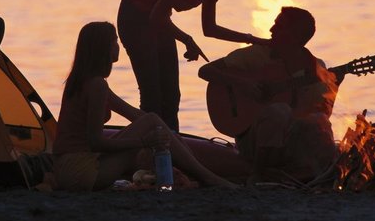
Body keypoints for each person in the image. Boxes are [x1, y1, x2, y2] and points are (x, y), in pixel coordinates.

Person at [49, 21, 237, 191]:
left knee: (151, 121)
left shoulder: (87, 81)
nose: (118, 46)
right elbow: (96, 142)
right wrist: (144, 141)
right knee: (150, 124)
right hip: (79, 172)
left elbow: (135, 114)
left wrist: (170, 134)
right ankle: (208, 177)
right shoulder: (96, 85)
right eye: (114, 41)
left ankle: (198, 175)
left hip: (66, 168)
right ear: (102, 48)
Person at [117, 0, 269, 131]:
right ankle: (147, 140)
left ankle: (172, 140)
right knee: (152, 94)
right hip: (134, 16)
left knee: (172, 95)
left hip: (159, 20)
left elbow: (210, 29)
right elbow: (156, 15)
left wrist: (252, 39)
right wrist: (187, 40)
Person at [198, 7, 339, 182]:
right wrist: (243, 83)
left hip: (290, 140)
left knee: (319, 120)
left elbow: (321, 114)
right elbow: (206, 71)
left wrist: (333, 87)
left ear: (295, 36)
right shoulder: (256, 54)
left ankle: (312, 176)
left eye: (279, 27)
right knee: (278, 111)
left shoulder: (316, 69)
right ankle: (258, 176)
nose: (271, 30)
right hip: (252, 139)